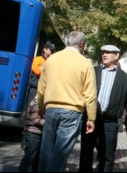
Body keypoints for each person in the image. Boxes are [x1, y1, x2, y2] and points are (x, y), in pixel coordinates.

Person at [37, 31, 97, 172]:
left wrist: (41, 107)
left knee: (46, 151)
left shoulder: (51, 59)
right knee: (60, 154)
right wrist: (92, 119)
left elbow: (41, 89)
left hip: (51, 109)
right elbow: (90, 95)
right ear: (82, 44)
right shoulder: (86, 64)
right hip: (72, 112)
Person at [79, 44, 127, 172]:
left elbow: (126, 100)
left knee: (107, 156)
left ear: (116, 56)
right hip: (90, 119)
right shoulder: (93, 71)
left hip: (110, 122)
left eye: (108, 52)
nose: (104, 54)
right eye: (103, 52)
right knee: (86, 153)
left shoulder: (124, 78)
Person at [18, 94, 44, 172]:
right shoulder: (35, 104)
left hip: (39, 133)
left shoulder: (40, 103)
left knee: (37, 157)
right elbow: (35, 120)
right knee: (30, 156)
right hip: (33, 133)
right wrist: (48, 122)